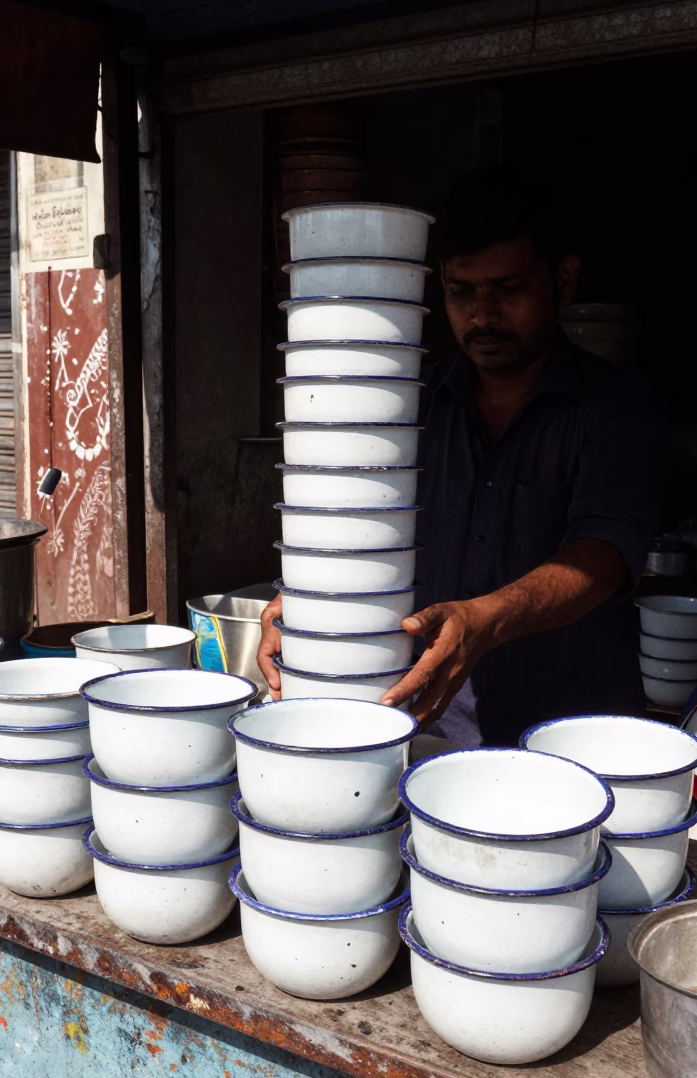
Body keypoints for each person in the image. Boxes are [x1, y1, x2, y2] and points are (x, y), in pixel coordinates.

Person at [257, 166, 670, 746]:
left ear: (564, 280)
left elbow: (600, 557)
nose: (482, 315)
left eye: (508, 289)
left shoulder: (619, 405)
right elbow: (360, 522)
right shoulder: (407, 403)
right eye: (462, 291)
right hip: (433, 730)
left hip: (576, 736)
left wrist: (487, 619)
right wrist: (309, 601)